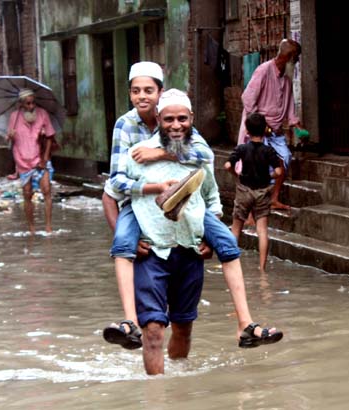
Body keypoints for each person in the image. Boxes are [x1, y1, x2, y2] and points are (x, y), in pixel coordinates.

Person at [101, 64, 279, 351]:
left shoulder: (189, 137)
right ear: (158, 116)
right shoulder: (127, 129)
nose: (141, 96)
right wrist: (150, 193)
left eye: (148, 90)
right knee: (152, 325)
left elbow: (205, 164)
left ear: (160, 94)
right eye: (136, 91)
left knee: (187, 323)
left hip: (188, 225)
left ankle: (245, 323)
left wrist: (161, 153)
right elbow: (114, 186)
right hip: (144, 215)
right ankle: (130, 322)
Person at [237, 39, 303, 211]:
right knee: (256, 165)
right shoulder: (264, 70)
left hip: (275, 130)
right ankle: (252, 209)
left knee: (283, 160)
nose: (296, 64)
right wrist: (259, 125)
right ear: (289, 57)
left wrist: (296, 125)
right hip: (258, 129)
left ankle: (273, 199)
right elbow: (248, 99)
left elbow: (289, 108)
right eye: (295, 59)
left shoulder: (286, 80)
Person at [225, 112, 283, 272]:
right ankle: (262, 268)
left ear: (247, 131)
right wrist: (269, 175)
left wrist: (236, 176)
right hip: (262, 191)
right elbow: (278, 171)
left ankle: (231, 264)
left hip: (244, 190)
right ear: (265, 129)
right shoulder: (269, 151)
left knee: (236, 228)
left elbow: (228, 165)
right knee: (262, 230)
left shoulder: (242, 148)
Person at [7, 89, 56, 234]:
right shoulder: (14, 117)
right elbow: (10, 139)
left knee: (47, 190)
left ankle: (48, 226)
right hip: (22, 160)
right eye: (28, 103)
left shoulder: (42, 114)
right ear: (21, 104)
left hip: (40, 159)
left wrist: (45, 157)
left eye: (33, 102)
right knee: (27, 194)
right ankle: (32, 228)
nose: (31, 106)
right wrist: (10, 136)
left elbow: (50, 137)